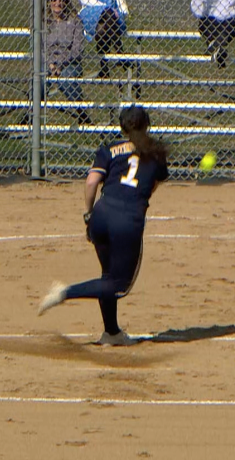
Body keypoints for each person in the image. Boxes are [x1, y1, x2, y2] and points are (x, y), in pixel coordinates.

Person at [38, 106, 170, 346]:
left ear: (122, 128)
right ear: (147, 125)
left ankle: (111, 332)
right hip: (127, 221)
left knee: (107, 276)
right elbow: (152, 185)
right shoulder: (157, 153)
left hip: (101, 213)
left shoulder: (108, 149)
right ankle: (64, 292)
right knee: (118, 285)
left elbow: (91, 183)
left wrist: (88, 215)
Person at [46, 0, 90, 125]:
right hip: (47, 62)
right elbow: (39, 48)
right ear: (48, 2)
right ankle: (30, 116)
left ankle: (81, 113)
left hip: (69, 63)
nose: (57, 3)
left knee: (66, 80)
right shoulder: (43, 22)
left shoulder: (75, 21)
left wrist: (59, 64)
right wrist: (51, 64)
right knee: (38, 81)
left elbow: (76, 50)